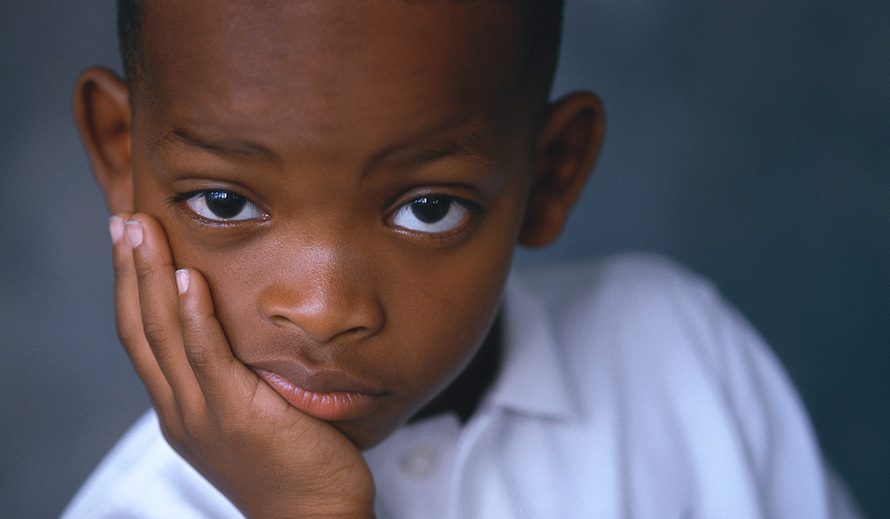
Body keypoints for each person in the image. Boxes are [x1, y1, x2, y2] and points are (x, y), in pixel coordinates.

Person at [63, 0, 860, 517]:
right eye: (227, 201)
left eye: (428, 208)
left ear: (551, 176)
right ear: (121, 154)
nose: (324, 307)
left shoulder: (681, 358)